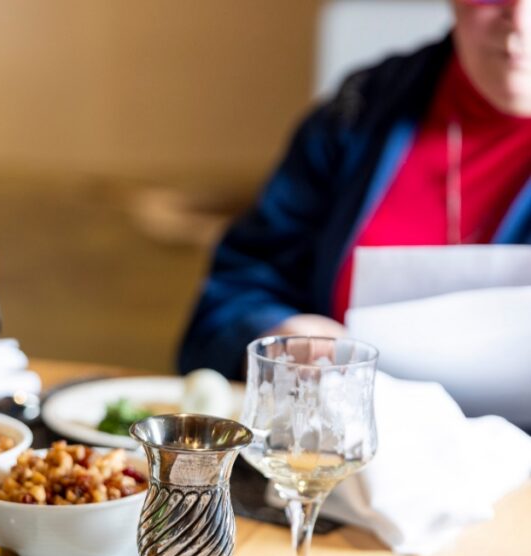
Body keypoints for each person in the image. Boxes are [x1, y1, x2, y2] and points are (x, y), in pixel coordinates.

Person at [178, 0, 531, 380]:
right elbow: (233, 295)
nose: (519, 21)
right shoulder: (361, 109)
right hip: (336, 433)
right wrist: (277, 338)